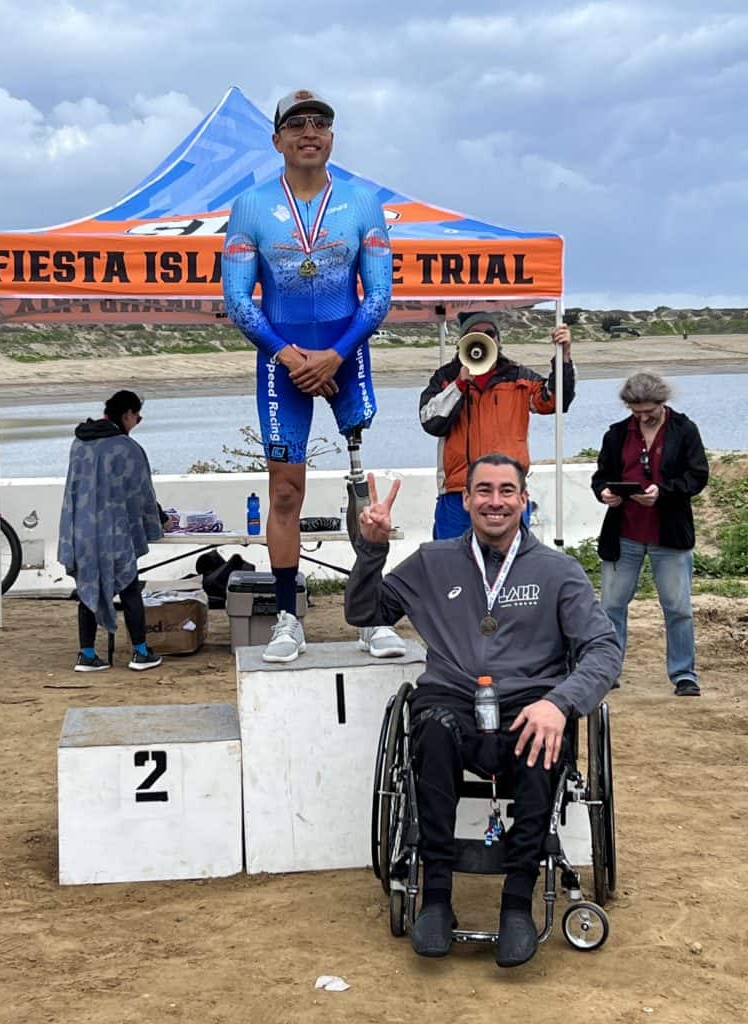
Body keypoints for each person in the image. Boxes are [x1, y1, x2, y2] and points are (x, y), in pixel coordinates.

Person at [345, 453, 621, 966]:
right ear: (466, 499)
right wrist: (372, 549)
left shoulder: (558, 571)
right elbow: (363, 612)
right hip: (451, 700)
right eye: (484, 491)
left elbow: (604, 649)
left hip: (529, 702)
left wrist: (560, 704)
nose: (496, 501)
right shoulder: (433, 561)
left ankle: (518, 901)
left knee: (542, 741)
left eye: (507, 491)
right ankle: (436, 898)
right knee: (429, 733)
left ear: (524, 499)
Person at [222, 88, 404, 663]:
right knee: (285, 490)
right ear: (276, 139)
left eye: (321, 123)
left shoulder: (361, 203)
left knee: (360, 488)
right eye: (296, 123)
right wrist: (289, 355)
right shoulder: (249, 207)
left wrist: (335, 356)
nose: (309, 131)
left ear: (332, 138)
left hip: (345, 351)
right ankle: (284, 619)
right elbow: (236, 299)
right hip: (281, 357)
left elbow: (378, 295)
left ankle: (370, 617)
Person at [591, 372, 709, 696]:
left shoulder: (684, 430)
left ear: (663, 401)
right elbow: (600, 477)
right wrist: (605, 493)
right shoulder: (616, 434)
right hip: (623, 532)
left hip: (669, 534)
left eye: (649, 410)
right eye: (636, 411)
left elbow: (698, 476)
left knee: (678, 607)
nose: (642, 416)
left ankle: (684, 675)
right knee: (612, 606)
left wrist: (665, 491)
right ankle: (608, 670)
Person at [419, 313, 575, 539]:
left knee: (511, 564)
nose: (484, 339)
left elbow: (556, 400)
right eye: (476, 335)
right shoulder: (446, 377)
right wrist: (459, 385)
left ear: (498, 340)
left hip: (507, 489)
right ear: (464, 341)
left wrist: (564, 356)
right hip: (458, 491)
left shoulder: (518, 376)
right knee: (450, 563)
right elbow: (430, 421)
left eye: (489, 334)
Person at [58, 390, 169, 672]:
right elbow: (141, 494)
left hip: (82, 530)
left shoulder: (79, 443)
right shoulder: (125, 448)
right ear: (127, 414)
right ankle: (141, 653)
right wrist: (160, 520)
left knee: (87, 587)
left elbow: (74, 489)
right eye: (138, 417)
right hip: (115, 531)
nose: (138, 422)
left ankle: (86, 654)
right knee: (129, 586)